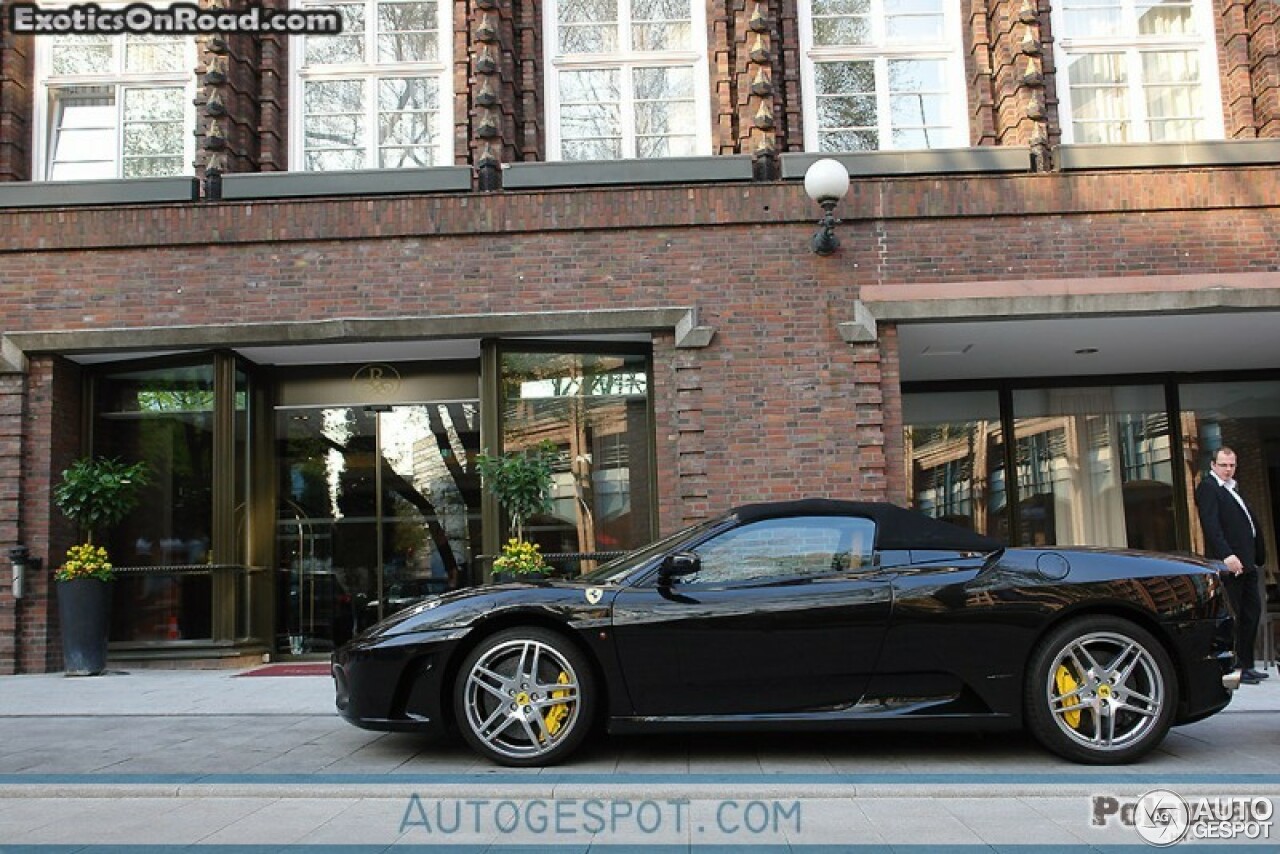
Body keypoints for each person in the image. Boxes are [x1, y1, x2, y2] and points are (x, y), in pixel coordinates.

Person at [1195, 446, 1269, 684]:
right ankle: (1234, 666)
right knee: (1234, 615)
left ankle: (1246, 665)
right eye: (1224, 465)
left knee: (1251, 613)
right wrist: (1226, 554)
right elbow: (1211, 525)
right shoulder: (1208, 488)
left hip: (1247, 563)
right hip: (1230, 563)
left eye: (1232, 465)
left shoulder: (1233, 488)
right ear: (1213, 465)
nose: (1228, 469)